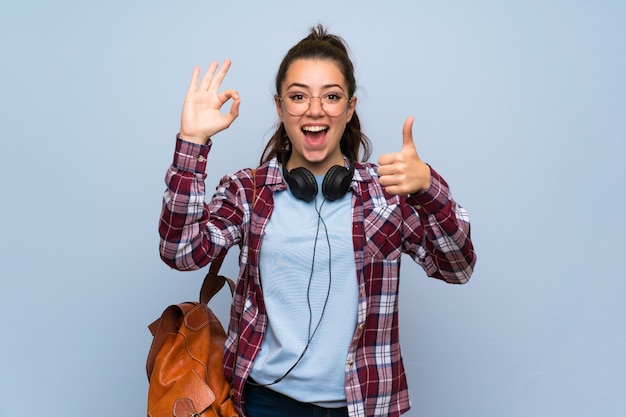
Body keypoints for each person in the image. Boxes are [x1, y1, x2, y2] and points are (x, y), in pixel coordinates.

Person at [159, 25, 476, 417]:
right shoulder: (248, 191)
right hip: (264, 404)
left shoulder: (387, 192)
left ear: (350, 107)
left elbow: (458, 267)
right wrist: (192, 144)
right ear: (279, 107)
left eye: (331, 96)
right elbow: (181, 252)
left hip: (362, 406)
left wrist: (429, 187)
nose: (314, 109)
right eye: (298, 96)